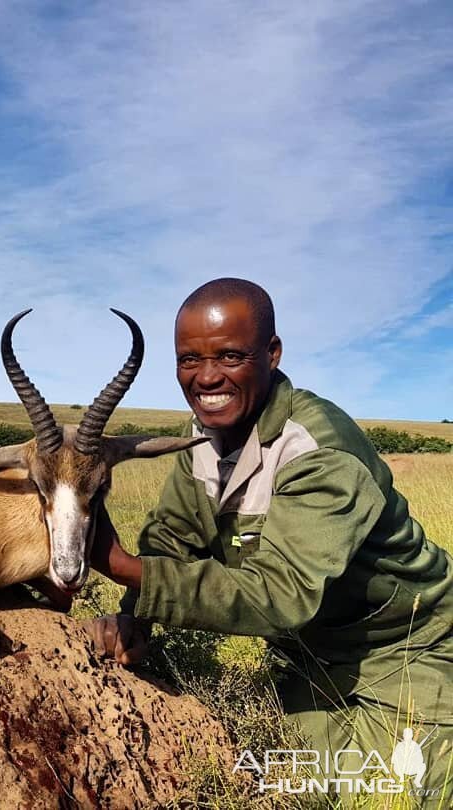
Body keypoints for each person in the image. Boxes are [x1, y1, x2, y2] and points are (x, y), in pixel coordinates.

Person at [86, 278, 453, 801]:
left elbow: (280, 595)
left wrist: (119, 565)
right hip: (308, 660)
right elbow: (171, 538)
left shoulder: (318, 446)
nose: (206, 377)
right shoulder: (203, 439)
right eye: (189, 360)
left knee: (376, 790)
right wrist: (135, 615)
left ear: (272, 354)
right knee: (264, 771)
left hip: (406, 652)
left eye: (230, 356)